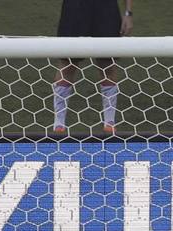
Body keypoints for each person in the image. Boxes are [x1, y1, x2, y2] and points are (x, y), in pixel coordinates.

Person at [53, 0, 134, 135]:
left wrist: (128, 13)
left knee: (108, 65)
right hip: (75, 7)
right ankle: (59, 124)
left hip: (106, 8)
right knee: (68, 64)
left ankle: (109, 123)